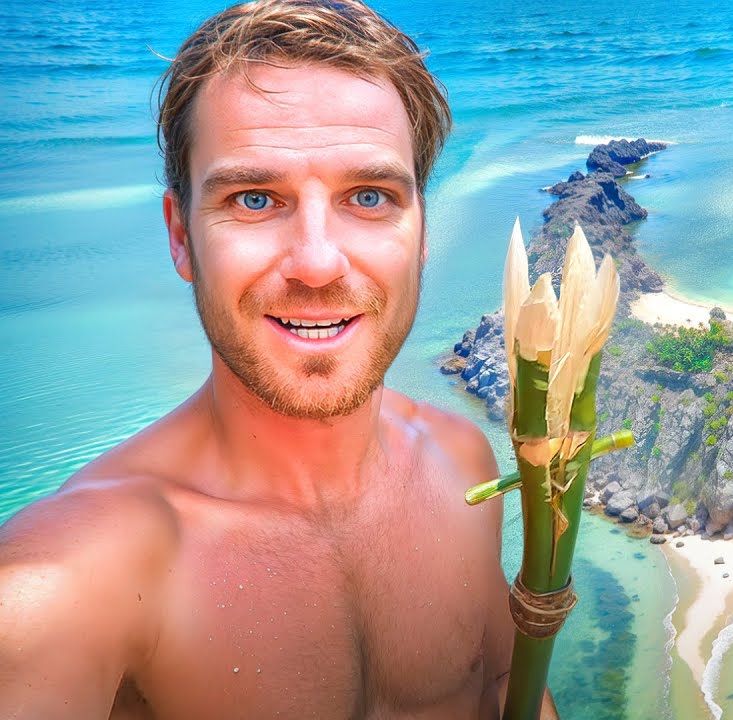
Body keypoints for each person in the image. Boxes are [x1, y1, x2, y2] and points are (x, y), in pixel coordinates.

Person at [0, 1, 557, 717]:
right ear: (180, 237)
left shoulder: (465, 466)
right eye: (255, 199)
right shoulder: (71, 584)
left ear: (422, 233)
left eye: (369, 196)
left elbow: (504, 686)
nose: (318, 263)